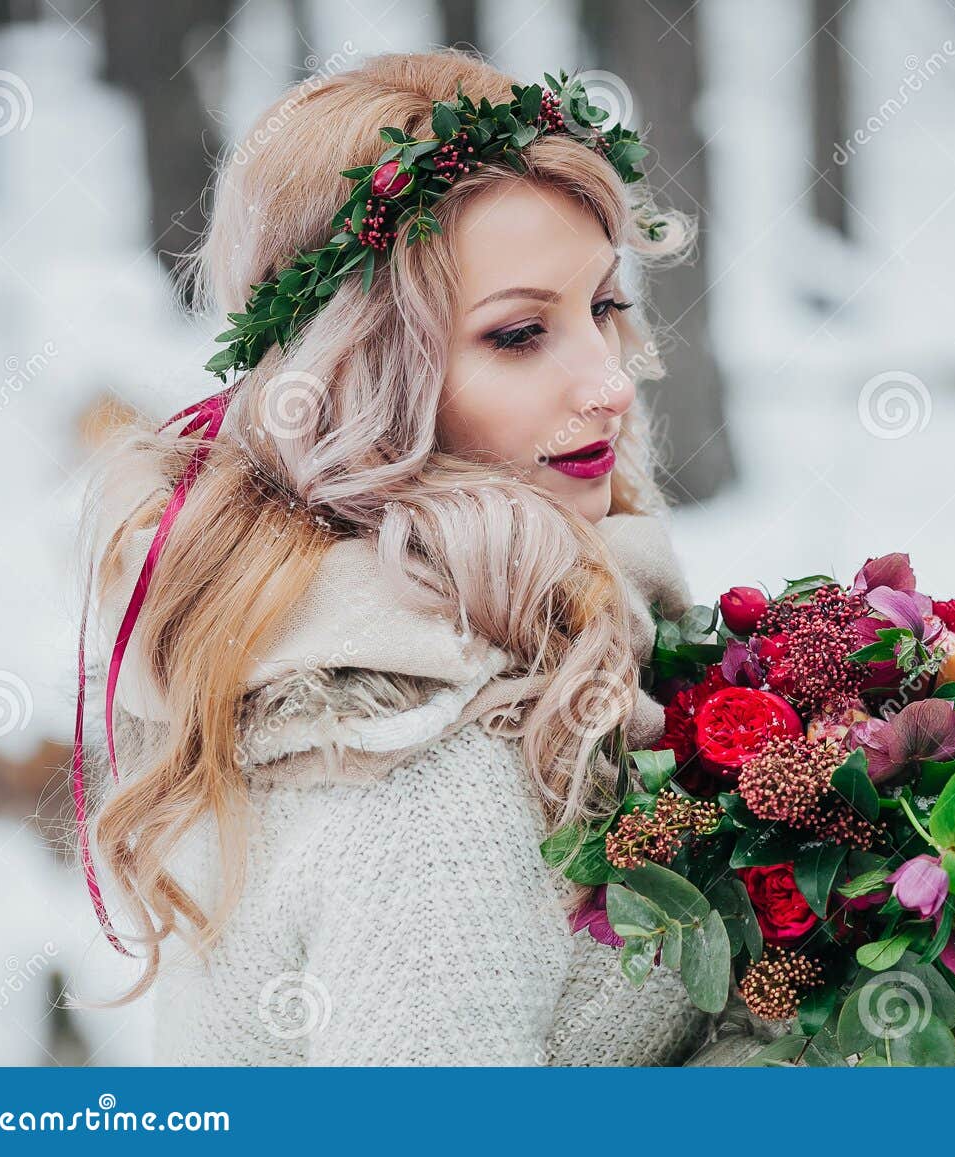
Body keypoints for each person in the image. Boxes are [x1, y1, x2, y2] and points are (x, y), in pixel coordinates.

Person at [70, 48, 770, 1065]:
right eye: (521, 332)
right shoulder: (420, 771)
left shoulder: (469, 634)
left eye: (605, 308)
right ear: (366, 372)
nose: (610, 382)